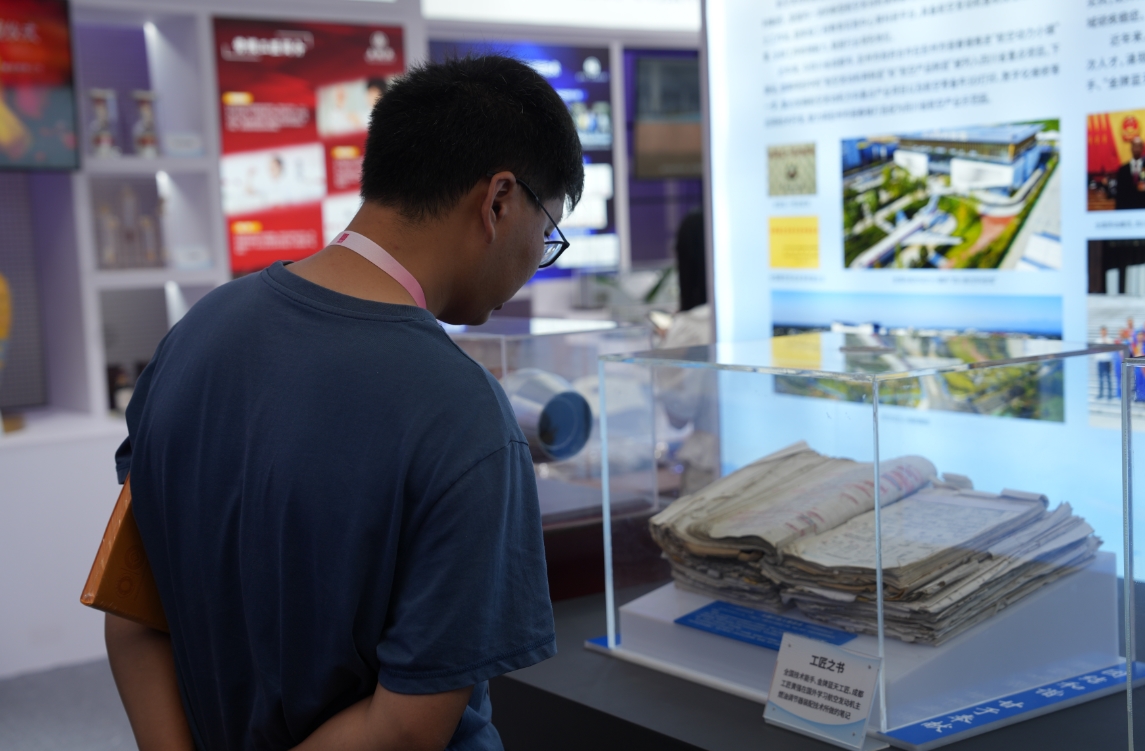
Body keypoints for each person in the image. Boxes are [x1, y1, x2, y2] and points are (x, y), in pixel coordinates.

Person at [104, 55, 584, 751]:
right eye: (549, 230)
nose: (540, 255)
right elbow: (407, 729)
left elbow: (130, 609)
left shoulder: (193, 336)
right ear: (499, 200)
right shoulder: (463, 413)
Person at [1115, 136, 1145, 210]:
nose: (1136, 148)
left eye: (1139, 146)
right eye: (1135, 145)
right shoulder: (1123, 169)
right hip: (1127, 207)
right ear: (1131, 148)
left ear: (1142, 148)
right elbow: (1120, 192)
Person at [1097, 326, 1114, 400]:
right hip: (1100, 361)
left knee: (1108, 377)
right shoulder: (1098, 340)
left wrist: (1106, 343)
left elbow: (1112, 350)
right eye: (1102, 331)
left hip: (1107, 361)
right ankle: (1101, 393)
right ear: (1100, 332)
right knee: (1100, 378)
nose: (1103, 332)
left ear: (1106, 332)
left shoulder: (1110, 340)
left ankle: (1110, 394)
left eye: (1104, 331)